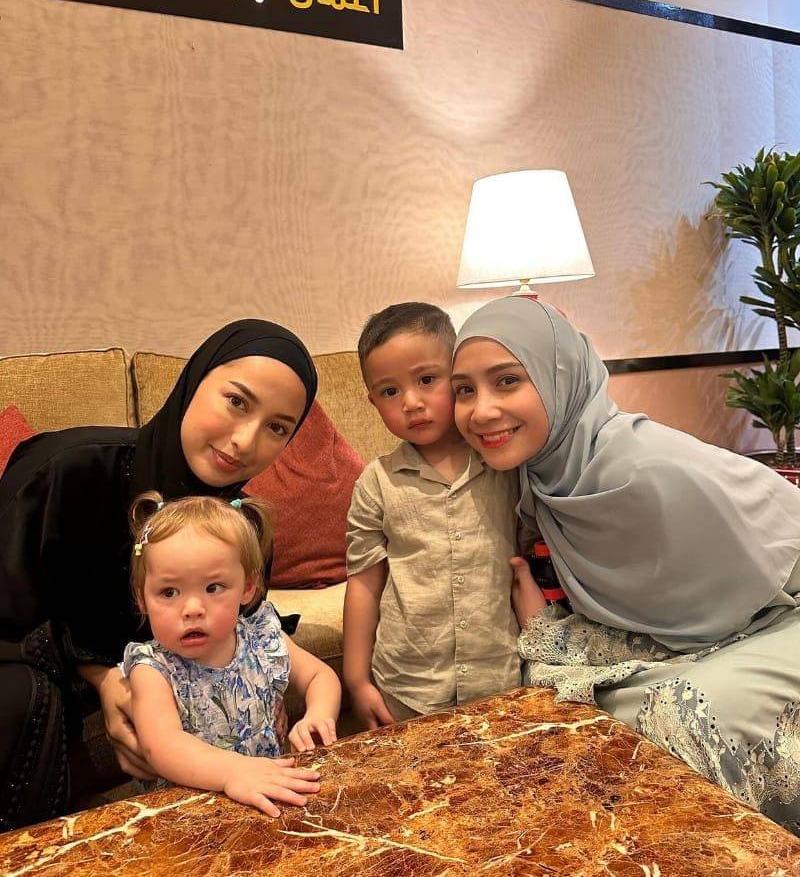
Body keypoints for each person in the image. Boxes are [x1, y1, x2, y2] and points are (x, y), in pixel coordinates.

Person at [452, 296, 800, 833]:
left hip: (779, 614)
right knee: (572, 701)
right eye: (464, 390)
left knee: (681, 717)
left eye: (507, 381)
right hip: (716, 628)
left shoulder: (641, 472)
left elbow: (729, 609)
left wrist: (557, 636)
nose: (481, 411)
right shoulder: (545, 473)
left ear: (560, 379)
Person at [0, 319, 321, 831]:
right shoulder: (66, 470)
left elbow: (247, 627)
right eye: (236, 401)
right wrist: (105, 679)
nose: (244, 441)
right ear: (194, 382)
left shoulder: (241, 523)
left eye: (277, 428)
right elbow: (14, 621)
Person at [343, 302, 523, 730]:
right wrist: (356, 679)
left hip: (499, 678)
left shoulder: (504, 465)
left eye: (426, 380)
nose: (411, 402)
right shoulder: (377, 482)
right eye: (390, 392)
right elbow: (364, 582)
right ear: (373, 402)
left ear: (458, 378)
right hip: (407, 685)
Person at [123, 491, 340, 817]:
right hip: (194, 816)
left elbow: (319, 676)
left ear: (247, 587)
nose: (192, 609)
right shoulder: (153, 669)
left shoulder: (262, 637)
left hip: (271, 797)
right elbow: (162, 746)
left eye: (213, 588)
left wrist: (318, 715)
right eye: (169, 592)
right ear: (142, 598)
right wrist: (233, 772)